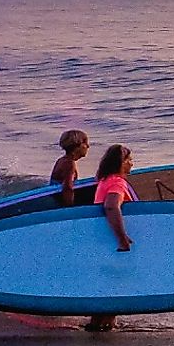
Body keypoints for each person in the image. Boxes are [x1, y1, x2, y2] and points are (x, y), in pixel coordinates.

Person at [85, 143, 136, 332]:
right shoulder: (117, 182)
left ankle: (96, 323)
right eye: (129, 160)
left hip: (101, 239)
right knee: (116, 281)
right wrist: (122, 238)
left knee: (107, 281)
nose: (132, 163)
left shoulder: (104, 180)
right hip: (112, 240)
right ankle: (106, 325)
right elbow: (111, 206)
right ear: (120, 163)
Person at [50, 129, 91, 205]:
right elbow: (67, 187)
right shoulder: (69, 164)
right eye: (85, 143)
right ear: (77, 146)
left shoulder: (62, 160)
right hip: (60, 201)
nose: (88, 146)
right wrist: (70, 207)